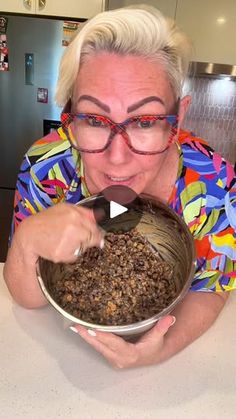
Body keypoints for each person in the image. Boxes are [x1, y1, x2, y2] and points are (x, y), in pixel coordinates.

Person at [4, 5, 236, 369]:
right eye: (94, 119)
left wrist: (163, 348)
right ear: (70, 117)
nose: (117, 157)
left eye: (144, 122)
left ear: (179, 119)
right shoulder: (47, 166)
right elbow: (29, 298)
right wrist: (27, 239)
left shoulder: (215, 185)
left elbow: (213, 287)